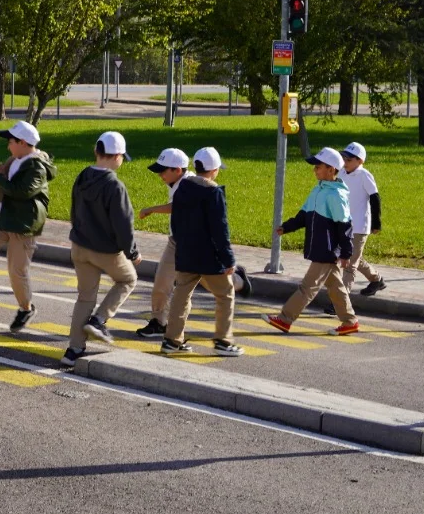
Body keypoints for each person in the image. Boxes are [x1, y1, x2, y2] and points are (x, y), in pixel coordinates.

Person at [61, 132, 140, 367]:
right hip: (105, 250)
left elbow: (74, 209)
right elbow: (124, 224)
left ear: (96, 152)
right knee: (128, 279)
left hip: (79, 246)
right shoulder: (114, 186)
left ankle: (73, 350)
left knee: (85, 296)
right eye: (122, 157)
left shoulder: (83, 175)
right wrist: (132, 252)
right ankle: (99, 320)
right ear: (116, 157)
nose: (122, 161)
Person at [267, 148, 360, 335]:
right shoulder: (318, 190)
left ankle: (285, 319)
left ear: (331, 170)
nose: (314, 170)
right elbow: (303, 216)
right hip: (318, 247)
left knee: (307, 287)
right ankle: (350, 322)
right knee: (335, 288)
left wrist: (346, 253)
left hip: (326, 250)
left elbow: (345, 226)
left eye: (318, 167)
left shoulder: (336, 195)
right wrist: (287, 227)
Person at [161, 147, 244, 357]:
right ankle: (223, 341)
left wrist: (181, 246)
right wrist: (228, 259)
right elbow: (220, 229)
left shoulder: (182, 188)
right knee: (225, 295)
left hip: (186, 253)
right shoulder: (213, 192)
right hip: (209, 257)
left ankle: (172, 340)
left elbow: (176, 223)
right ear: (214, 170)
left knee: (181, 295)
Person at [0, 120, 54, 332]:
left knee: (17, 272)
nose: (8, 145)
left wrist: (0, 178)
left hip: (22, 224)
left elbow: (21, 191)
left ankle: (26, 308)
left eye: (11, 141)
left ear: (22, 142)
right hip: (4, 218)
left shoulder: (37, 167)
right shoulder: (15, 158)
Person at [133, 148, 188, 340]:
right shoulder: (174, 181)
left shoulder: (189, 184)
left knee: (215, 281)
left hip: (194, 244)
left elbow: (177, 207)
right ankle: (158, 322)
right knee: (161, 283)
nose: (160, 175)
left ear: (178, 170)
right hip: (176, 240)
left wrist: (151, 209)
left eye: (163, 171)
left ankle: (238, 281)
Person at [341, 142, 386, 296]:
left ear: (360, 161)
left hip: (360, 226)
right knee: (353, 258)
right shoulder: (340, 173)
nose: (345, 162)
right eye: (344, 158)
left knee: (349, 265)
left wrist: (376, 223)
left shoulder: (364, 175)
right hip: (343, 225)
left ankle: (341, 301)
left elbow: (375, 199)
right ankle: (376, 280)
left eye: (349, 160)